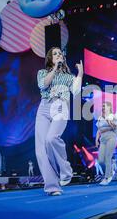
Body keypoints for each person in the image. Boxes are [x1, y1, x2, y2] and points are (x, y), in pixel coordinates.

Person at [35, 47, 83, 196]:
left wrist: (80, 73)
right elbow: (43, 85)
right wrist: (55, 68)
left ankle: (66, 170)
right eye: (55, 54)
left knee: (51, 139)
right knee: (41, 150)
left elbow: (75, 91)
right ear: (50, 58)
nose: (58, 55)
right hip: (44, 107)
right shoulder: (42, 73)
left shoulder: (68, 77)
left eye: (60, 54)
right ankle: (52, 186)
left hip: (60, 106)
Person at [96, 102, 117, 185]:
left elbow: (115, 127)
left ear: (109, 107)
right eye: (102, 106)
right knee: (101, 160)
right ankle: (110, 171)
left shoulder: (113, 116)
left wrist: (109, 122)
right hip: (103, 139)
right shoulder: (100, 117)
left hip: (111, 137)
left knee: (107, 157)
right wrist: (96, 140)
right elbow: (99, 129)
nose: (103, 107)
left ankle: (107, 177)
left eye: (105, 106)